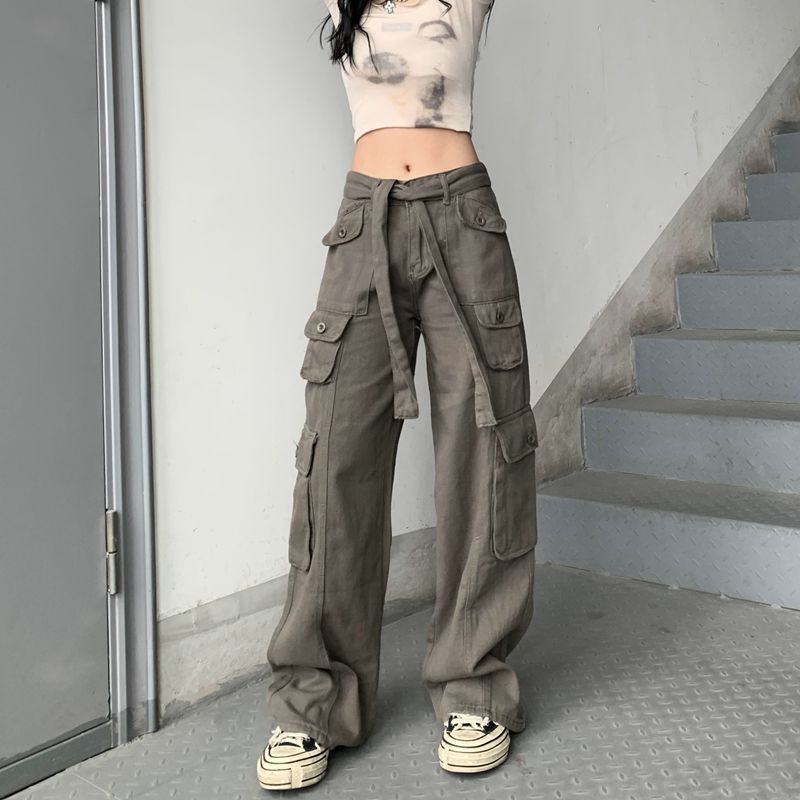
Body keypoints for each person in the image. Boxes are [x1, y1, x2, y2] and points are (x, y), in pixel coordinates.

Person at [257, 0, 538, 790]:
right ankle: (313, 701)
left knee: (485, 448)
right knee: (334, 460)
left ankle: (474, 686)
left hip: (464, 218)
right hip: (364, 222)